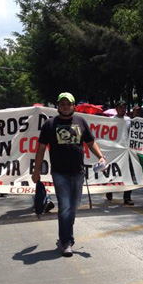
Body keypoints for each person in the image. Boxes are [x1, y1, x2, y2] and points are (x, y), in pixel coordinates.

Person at [31, 92, 106, 257]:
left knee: (73, 206)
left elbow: (90, 142)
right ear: (58, 106)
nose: (65, 106)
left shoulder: (81, 121)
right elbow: (41, 149)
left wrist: (100, 156)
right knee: (64, 206)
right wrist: (36, 171)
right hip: (59, 173)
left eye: (69, 103)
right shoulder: (49, 125)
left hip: (78, 172)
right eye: (62, 103)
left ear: (73, 106)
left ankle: (66, 232)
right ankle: (66, 241)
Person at [105, 101, 134, 205]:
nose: (123, 109)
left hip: (126, 150)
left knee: (129, 173)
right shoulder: (111, 120)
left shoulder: (129, 120)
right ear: (116, 109)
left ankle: (127, 197)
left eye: (124, 107)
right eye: (121, 107)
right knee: (113, 171)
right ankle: (109, 190)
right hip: (115, 150)